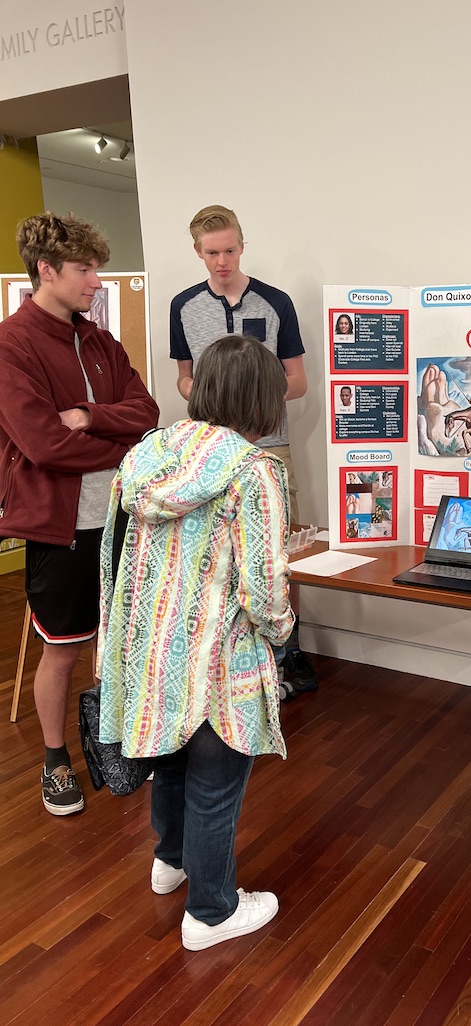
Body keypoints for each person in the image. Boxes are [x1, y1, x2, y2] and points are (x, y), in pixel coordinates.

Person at [97, 334, 294, 950]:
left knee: (171, 769)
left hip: (148, 652)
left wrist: (117, 649)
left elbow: (114, 559)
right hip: (218, 659)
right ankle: (211, 912)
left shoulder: (145, 454)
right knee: (215, 781)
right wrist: (282, 631)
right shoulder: (253, 470)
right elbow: (264, 585)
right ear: (262, 399)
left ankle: (170, 861)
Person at [0, 211, 159, 816]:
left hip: (122, 518)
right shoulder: (10, 345)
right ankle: (54, 759)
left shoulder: (98, 339)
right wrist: (120, 443)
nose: (97, 282)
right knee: (65, 647)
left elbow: (145, 410)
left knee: (118, 642)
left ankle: (112, 743)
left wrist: (91, 416)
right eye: (85, 270)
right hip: (58, 526)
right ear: (46, 271)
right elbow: (42, 444)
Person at [169, 204, 317, 692]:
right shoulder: (183, 306)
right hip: (207, 450)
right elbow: (184, 379)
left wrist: (249, 396)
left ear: (242, 245)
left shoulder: (276, 302)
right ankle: (224, 652)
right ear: (198, 252)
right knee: (215, 549)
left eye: (230, 250)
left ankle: (288, 649)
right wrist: (208, 398)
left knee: (279, 546)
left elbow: (297, 381)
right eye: (212, 253)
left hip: (269, 444)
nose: (222, 261)